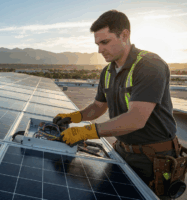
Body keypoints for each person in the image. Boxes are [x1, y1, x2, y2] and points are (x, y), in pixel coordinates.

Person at [53, 10, 181, 200]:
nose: (99, 50)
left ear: (125, 35)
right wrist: (75, 117)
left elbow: (136, 119)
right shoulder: (108, 71)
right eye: (97, 44)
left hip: (153, 159)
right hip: (122, 150)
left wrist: (86, 131)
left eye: (105, 42)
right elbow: (98, 107)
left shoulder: (149, 65)